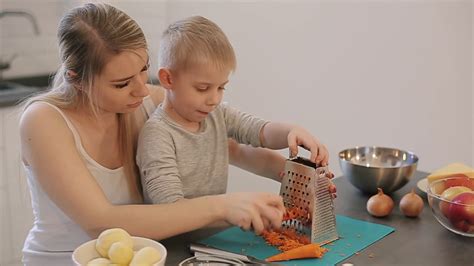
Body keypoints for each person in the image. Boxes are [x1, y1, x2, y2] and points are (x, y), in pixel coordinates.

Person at [19, 3, 289, 265]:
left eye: (143, 69)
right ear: (76, 78)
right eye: (122, 83)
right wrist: (222, 207)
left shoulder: (149, 102)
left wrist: (291, 171)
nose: (143, 90)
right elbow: (100, 222)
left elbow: (226, 146)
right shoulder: (44, 121)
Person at [137, 16, 330, 206]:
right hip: (174, 238)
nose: (214, 99)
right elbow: (171, 207)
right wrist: (233, 209)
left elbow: (260, 132)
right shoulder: (157, 134)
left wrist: (292, 131)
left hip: (213, 231)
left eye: (221, 87)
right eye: (202, 88)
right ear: (168, 79)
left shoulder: (217, 114)